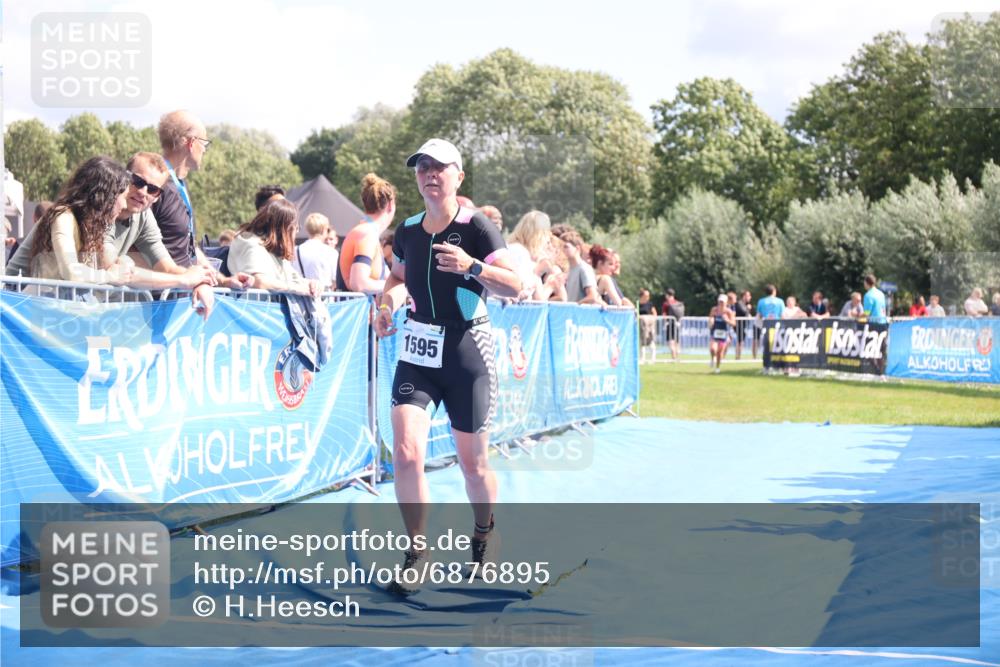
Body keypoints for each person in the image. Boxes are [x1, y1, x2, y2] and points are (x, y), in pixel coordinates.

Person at [374, 138, 520, 595]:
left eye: (439, 167)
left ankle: (484, 532)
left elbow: (516, 286)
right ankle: (417, 551)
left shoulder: (478, 227)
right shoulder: (409, 230)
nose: (429, 174)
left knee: (473, 466)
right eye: (422, 168)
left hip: (466, 352)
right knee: (406, 453)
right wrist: (386, 305)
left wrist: (472, 266)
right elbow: (397, 279)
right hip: (418, 353)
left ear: (458, 175)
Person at [19, 156, 132, 284]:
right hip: (20, 299)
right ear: (106, 196)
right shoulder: (64, 216)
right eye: (124, 197)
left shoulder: (89, 224)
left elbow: (94, 270)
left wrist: (123, 262)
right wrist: (110, 276)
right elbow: (70, 271)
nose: (125, 205)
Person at [151, 110, 215, 271]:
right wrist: (186, 277)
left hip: (182, 290)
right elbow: (136, 249)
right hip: (160, 294)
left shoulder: (179, 183)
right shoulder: (153, 186)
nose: (205, 150)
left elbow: (187, 246)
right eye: (204, 143)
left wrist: (222, 279)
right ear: (192, 143)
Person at [227, 198, 319, 296]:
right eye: (295, 228)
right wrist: (296, 289)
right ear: (286, 229)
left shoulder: (272, 248)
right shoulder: (252, 244)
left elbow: (292, 278)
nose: (296, 233)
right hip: (251, 309)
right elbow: (260, 282)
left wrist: (311, 284)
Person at [337, 173, 396, 293]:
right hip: (355, 311)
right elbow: (359, 284)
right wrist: (393, 286)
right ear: (390, 205)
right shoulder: (366, 234)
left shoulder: (368, 233)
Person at [507, 210, 564, 301]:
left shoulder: (518, 250)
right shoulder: (519, 252)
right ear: (540, 234)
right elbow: (522, 292)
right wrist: (549, 284)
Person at [295, 213, 338, 290]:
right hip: (325, 297)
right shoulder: (331, 252)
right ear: (324, 230)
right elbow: (335, 279)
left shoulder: (296, 250)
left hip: (301, 296)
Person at [561, 229, 599, 305]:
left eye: (566, 247)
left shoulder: (584, 269)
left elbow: (592, 296)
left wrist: (575, 306)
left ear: (577, 248)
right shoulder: (569, 270)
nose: (562, 250)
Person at [708, 294, 736, 373]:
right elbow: (710, 319)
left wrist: (727, 320)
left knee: (720, 353)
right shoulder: (714, 310)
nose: (721, 304)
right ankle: (712, 359)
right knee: (713, 349)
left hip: (724, 334)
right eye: (720, 302)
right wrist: (711, 321)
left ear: (726, 303)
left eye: (723, 302)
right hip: (714, 333)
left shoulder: (728, 312)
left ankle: (717, 367)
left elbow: (734, 323)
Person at [662, 288, 684, 362]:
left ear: (667, 295)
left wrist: (665, 322)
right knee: (677, 341)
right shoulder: (678, 303)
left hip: (670, 324)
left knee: (670, 341)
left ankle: (674, 358)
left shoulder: (666, 304)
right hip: (677, 323)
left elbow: (664, 314)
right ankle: (678, 357)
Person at [638, 288, 657, 364]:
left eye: (648, 296)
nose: (648, 297)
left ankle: (653, 359)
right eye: (646, 296)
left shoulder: (650, 304)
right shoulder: (638, 304)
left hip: (649, 325)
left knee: (650, 340)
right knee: (642, 342)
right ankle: (642, 359)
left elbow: (654, 313)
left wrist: (651, 320)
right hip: (641, 325)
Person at [732, 290, 751, 359]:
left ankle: (738, 357)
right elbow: (743, 312)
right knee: (739, 341)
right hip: (738, 326)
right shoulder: (739, 303)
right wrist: (748, 309)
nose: (750, 297)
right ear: (744, 296)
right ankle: (737, 357)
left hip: (743, 326)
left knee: (741, 341)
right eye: (748, 296)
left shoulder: (745, 305)